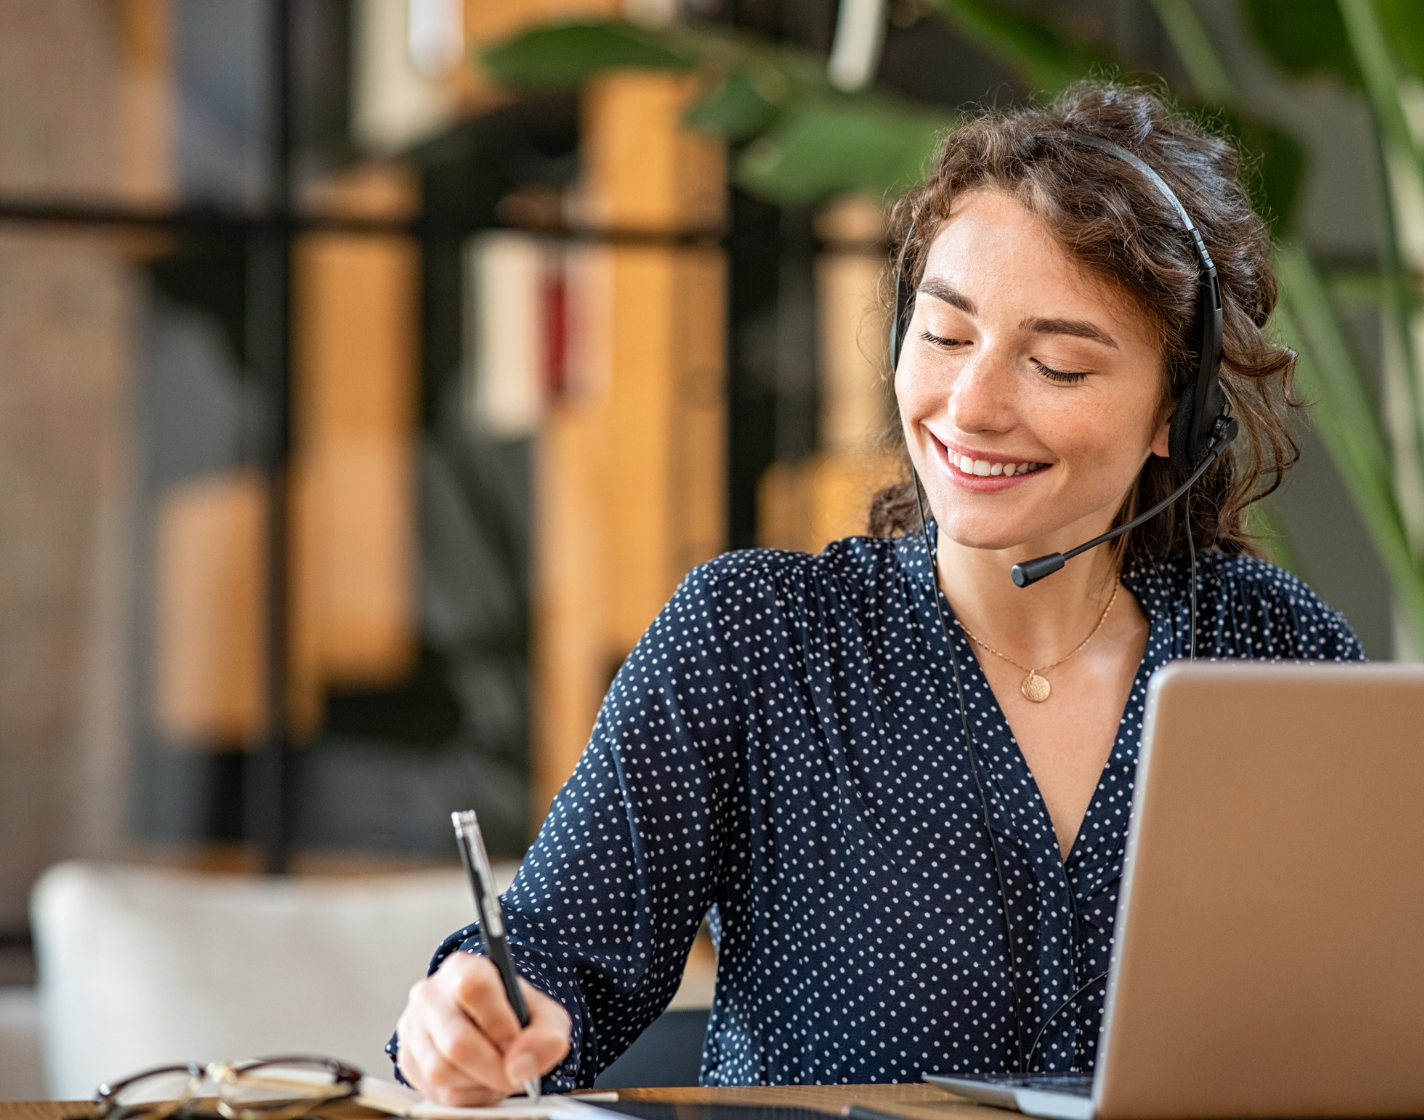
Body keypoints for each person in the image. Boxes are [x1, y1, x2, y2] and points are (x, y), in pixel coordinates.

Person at [390, 81, 1363, 1104]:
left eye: (1058, 365)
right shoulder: (755, 639)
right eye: (944, 338)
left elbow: (1382, 1005)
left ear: (1179, 408)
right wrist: (468, 1018)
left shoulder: (1277, 653)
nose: (971, 406)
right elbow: (542, 974)